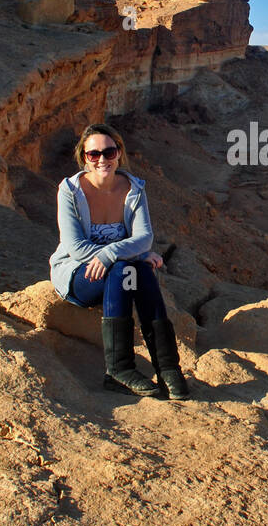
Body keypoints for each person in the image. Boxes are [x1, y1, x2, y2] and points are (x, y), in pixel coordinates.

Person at [48, 122, 190, 400]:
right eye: (94, 154)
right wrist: (125, 254)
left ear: (119, 153)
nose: (102, 160)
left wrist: (125, 255)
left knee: (143, 272)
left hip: (119, 273)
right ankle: (118, 370)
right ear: (84, 158)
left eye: (109, 152)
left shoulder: (133, 189)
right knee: (129, 267)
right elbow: (75, 248)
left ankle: (168, 368)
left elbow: (145, 237)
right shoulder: (69, 192)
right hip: (78, 274)